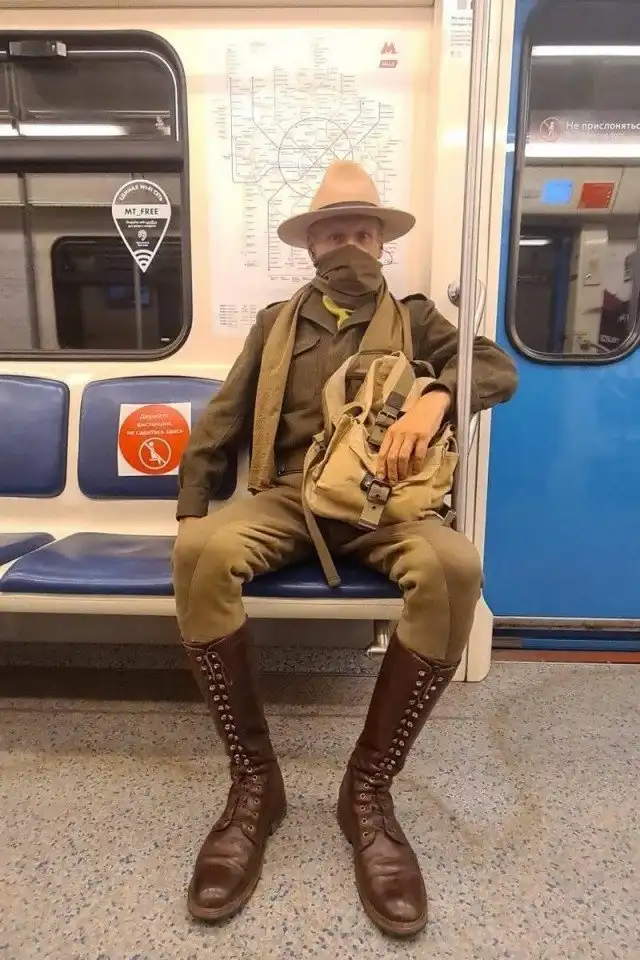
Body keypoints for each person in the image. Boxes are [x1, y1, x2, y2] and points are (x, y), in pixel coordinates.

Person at [172, 161, 518, 937]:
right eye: (335, 234)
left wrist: (437, 395)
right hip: (289, 499)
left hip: (384, 505)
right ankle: (255, 783)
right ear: (312, 245)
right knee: (201, 555)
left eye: (364, 232)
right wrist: (193, 506)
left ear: (382, 243)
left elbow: (496, 368)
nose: (350, 245)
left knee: (454, 566)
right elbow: (224, 414)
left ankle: (367, 789)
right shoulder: (276, 323)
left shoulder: (418, 319)